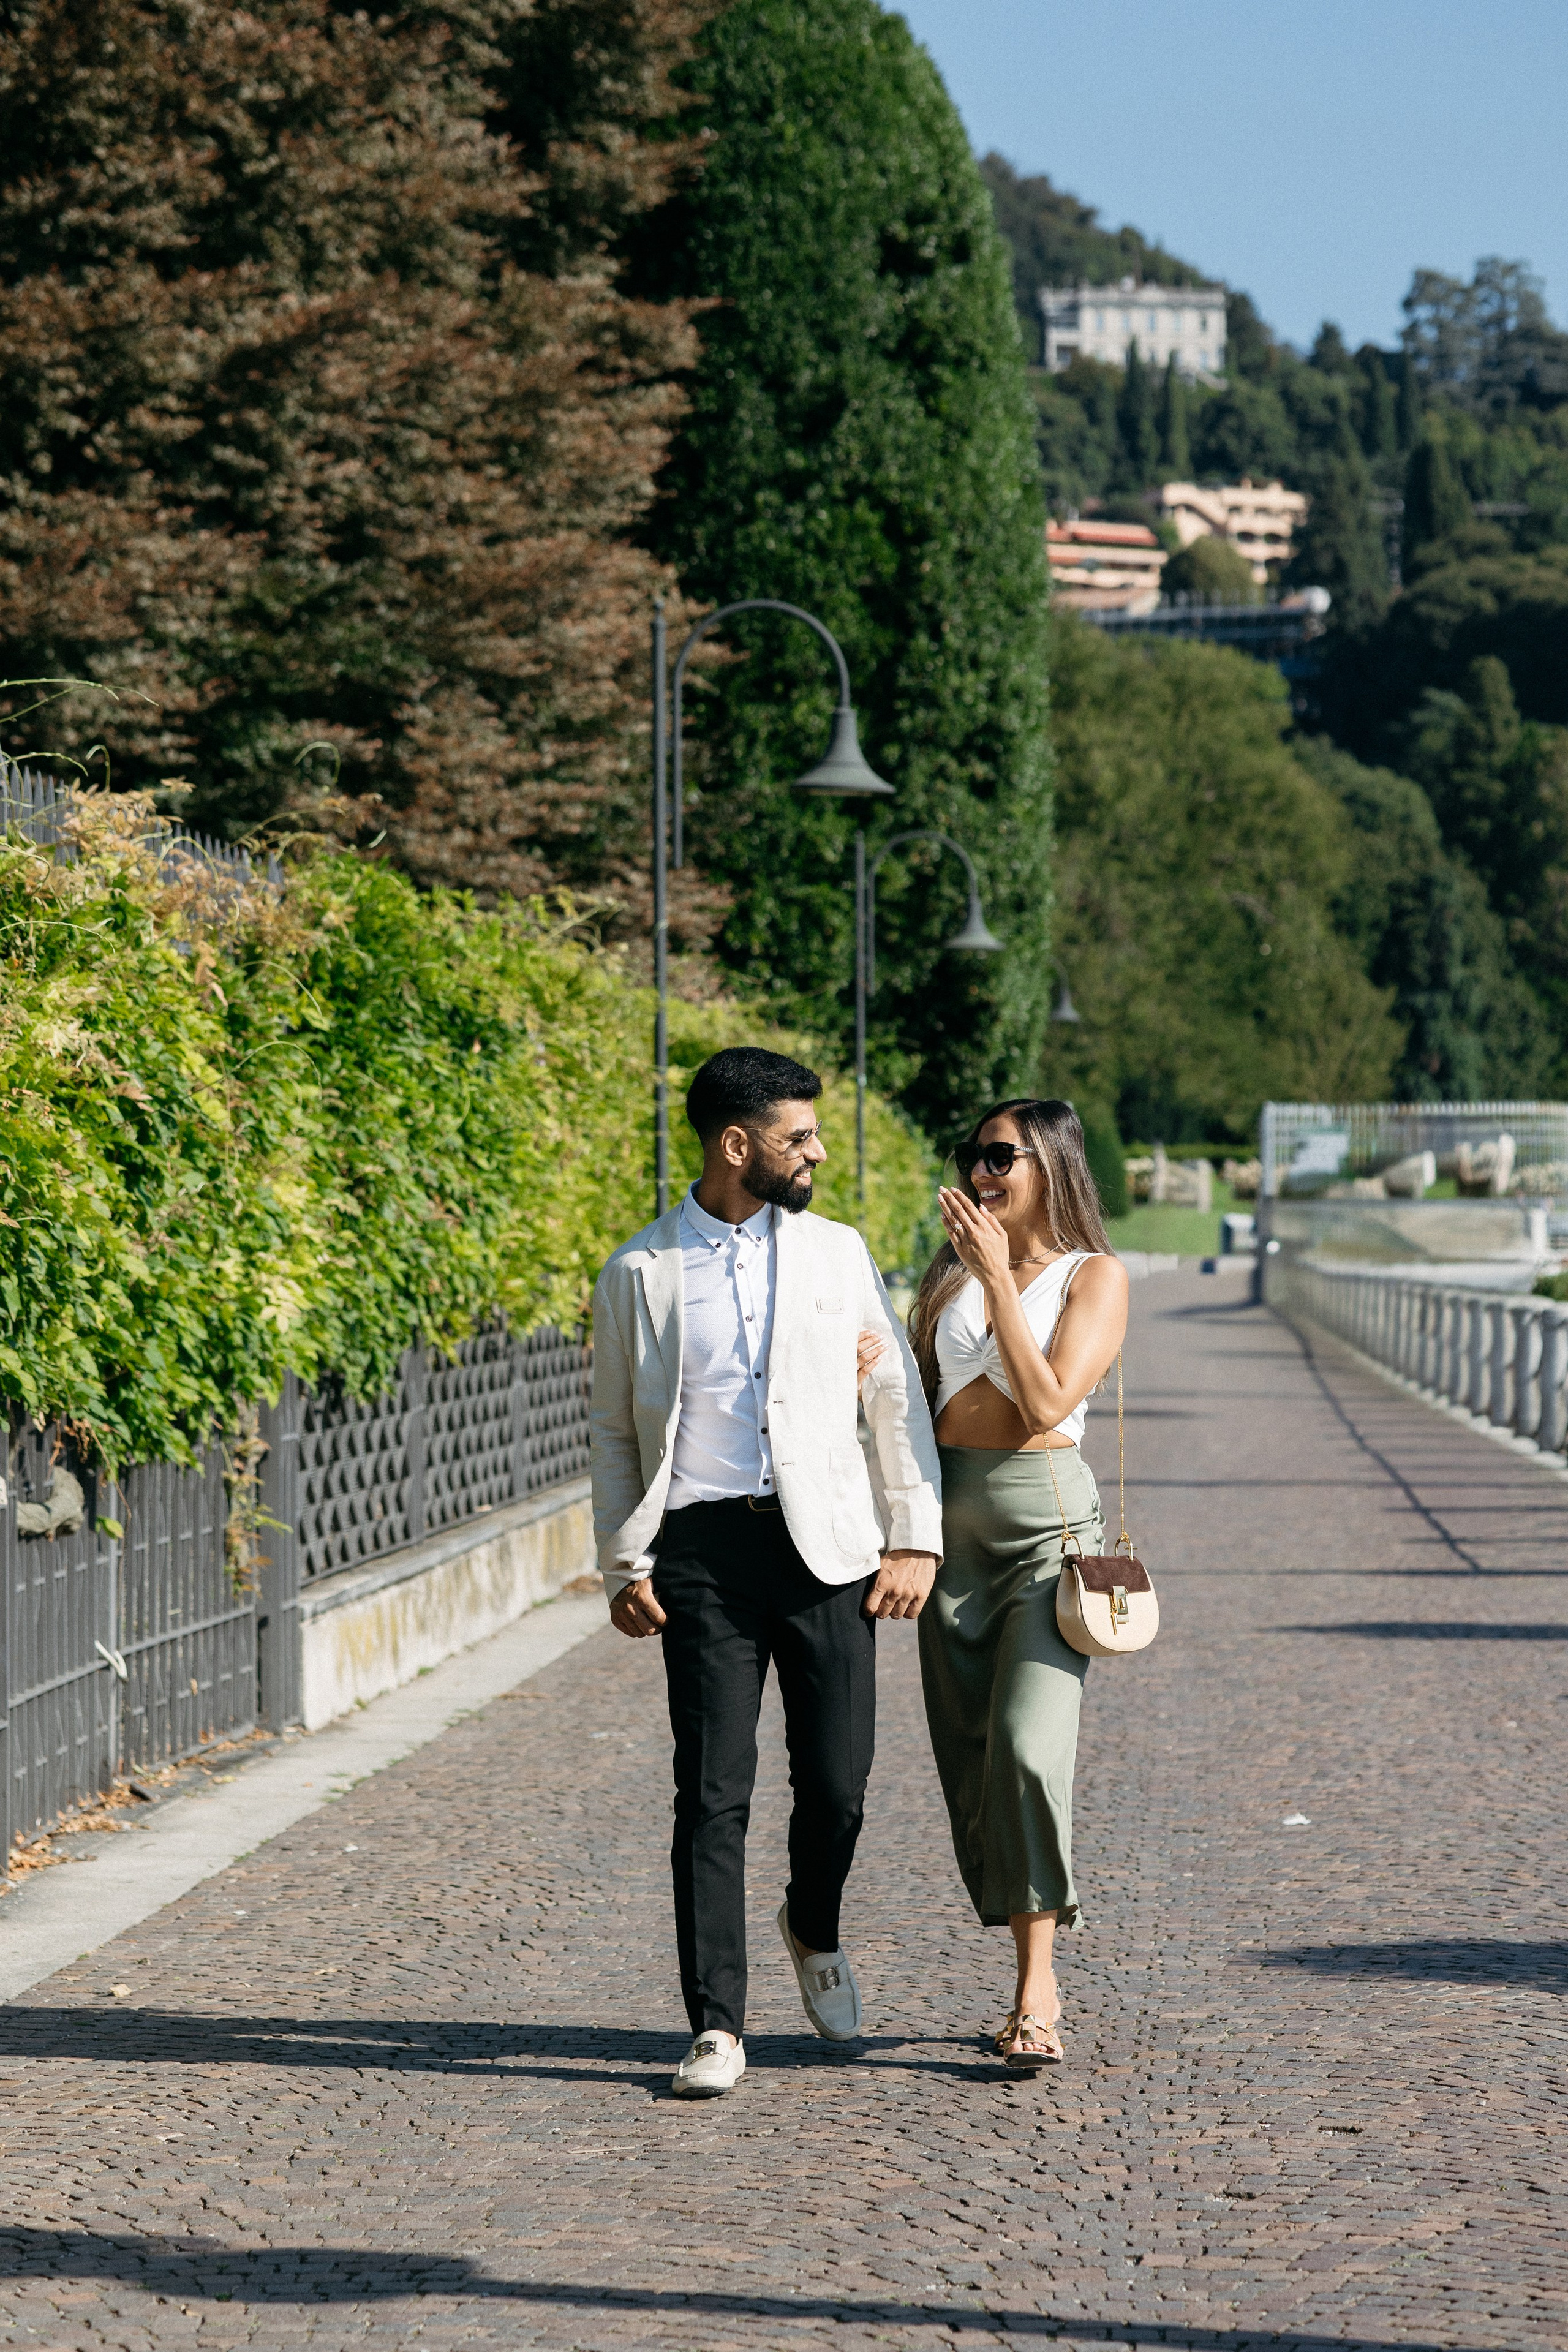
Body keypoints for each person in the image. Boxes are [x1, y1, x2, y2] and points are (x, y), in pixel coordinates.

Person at [589, 1046, 942, 2100]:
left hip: (827, 1548)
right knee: (711, 1794)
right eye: (800, 1137)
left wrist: (913, 1532)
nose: (818, 1152)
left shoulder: (838, 1255)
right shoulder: (638, 1272)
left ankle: (813, 1924)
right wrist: (622, 1561)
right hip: (699, 1555)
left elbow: (893, 1403)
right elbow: (612, 1430)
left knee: (837, 1787)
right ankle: (717, 2026)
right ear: (735, 1145)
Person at [904, 1098, 1128, 2072]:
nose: (983, 1173)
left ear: (1051, 1164)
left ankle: (1037, 1989)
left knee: (1029, 1749)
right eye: (976, 1156)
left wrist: (1001, 1278)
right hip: (950, 1535)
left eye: (1002, 1157)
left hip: (1048, 1535)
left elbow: (1045, 1401)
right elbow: (914, 1406)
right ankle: (1020, 1932)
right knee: (973, 1759)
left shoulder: (1096, 1277)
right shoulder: (946, 1277)